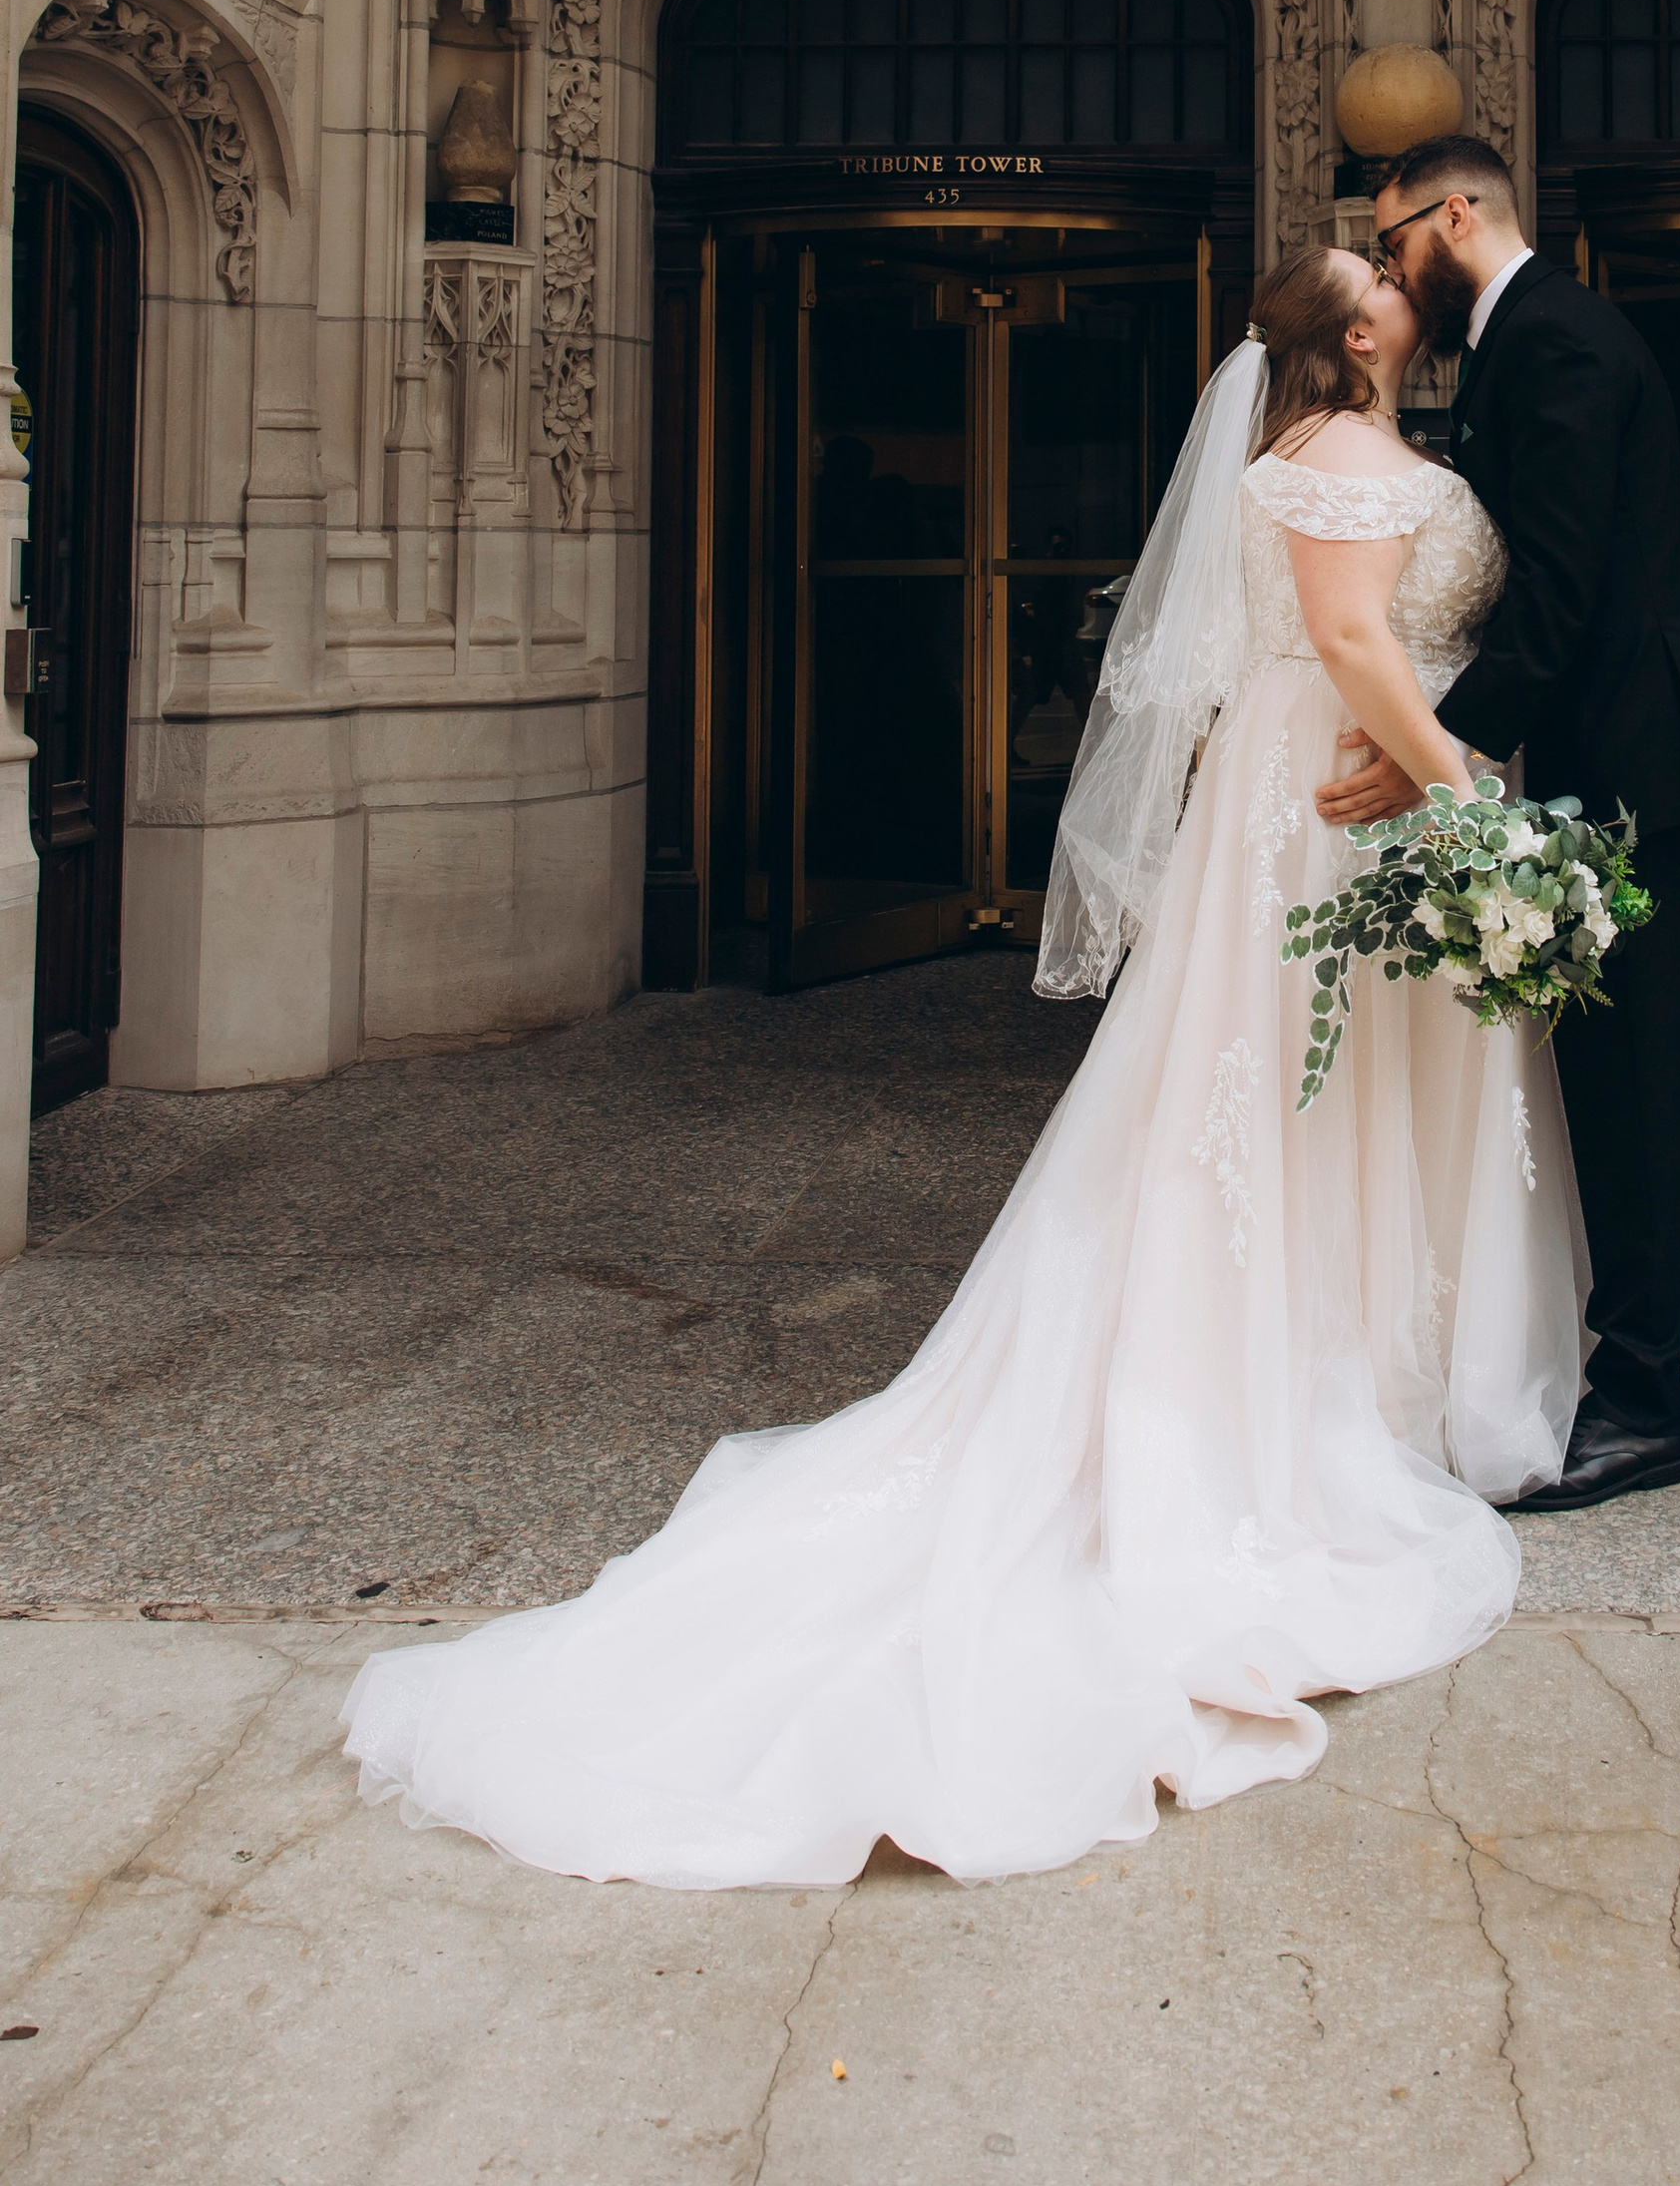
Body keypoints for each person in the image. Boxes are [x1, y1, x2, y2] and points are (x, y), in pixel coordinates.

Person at [338, 244, 1584, 1890]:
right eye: (1383, 279)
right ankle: (1303, 1391)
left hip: (1340, 789)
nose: (1409, 283)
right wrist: (1469, 801)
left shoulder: (1329, 450)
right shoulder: (1338, 463)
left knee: (1317, 1091)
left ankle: (1364, 1355)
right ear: (1357, 335)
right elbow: (1353, 643)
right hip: (1334, 803)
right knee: (1289, 1089)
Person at [1321, 135, 1680, 1516]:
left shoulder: (1559, 343)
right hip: (1601, 758)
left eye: (1393, 237)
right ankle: (1615, 1372)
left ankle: (1643, 1403)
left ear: (1454, 213)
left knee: (1636, 1084)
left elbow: (1563, 593)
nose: (1393, 264)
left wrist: (1434, 751)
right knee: (1606, 1078)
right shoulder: (1529, 337)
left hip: (1636, 771)